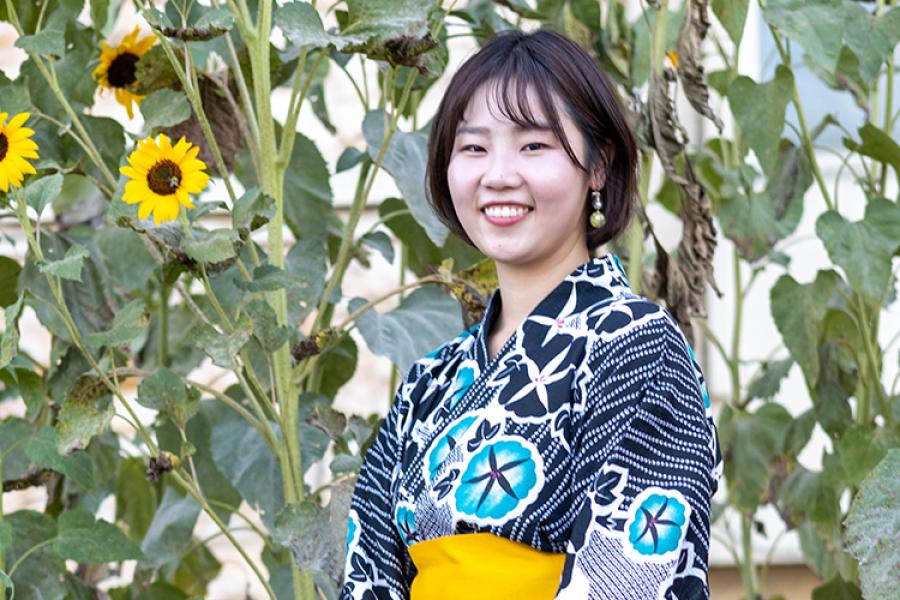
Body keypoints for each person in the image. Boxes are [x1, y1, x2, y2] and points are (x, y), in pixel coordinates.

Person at [341, 29, 722, 600]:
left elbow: (628, 577)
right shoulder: (428, 381)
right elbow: (368, 573)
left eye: (533, 146)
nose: (498, 174)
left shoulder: (639, 348)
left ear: (599, 166)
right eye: (473, 148)